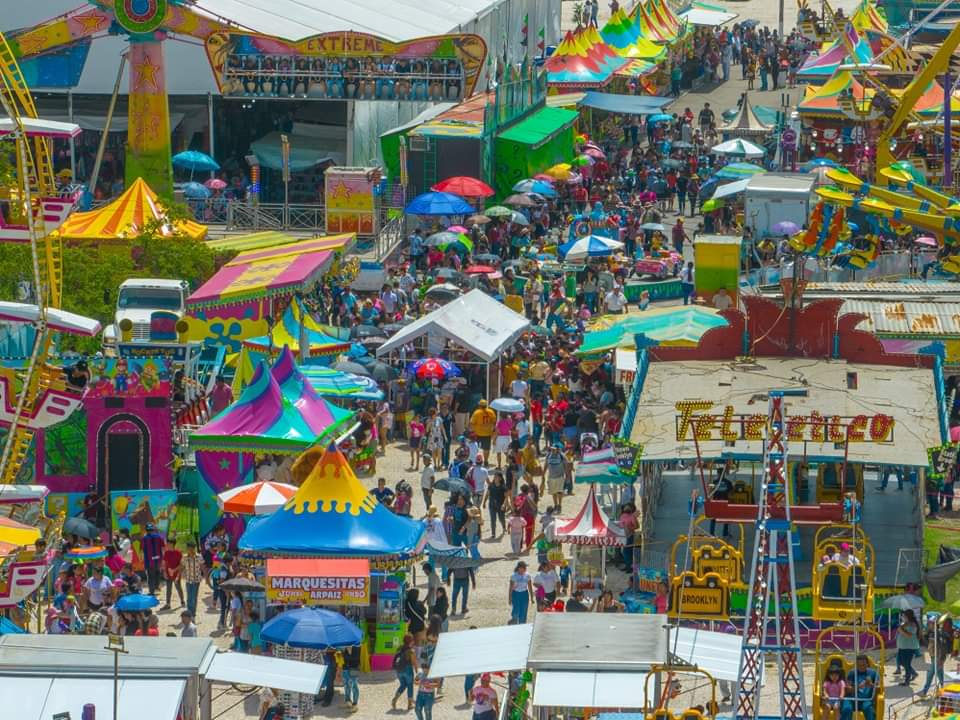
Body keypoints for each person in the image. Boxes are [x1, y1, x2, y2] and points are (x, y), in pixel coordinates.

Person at [920, 615, 955, 696]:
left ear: (934, 624)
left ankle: (925, 691)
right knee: (939, 674)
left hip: (938, 657)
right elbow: (928, 644)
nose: (928, 625)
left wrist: (941, 660)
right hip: (934, 656)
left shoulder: (940, 634)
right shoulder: (932, 633)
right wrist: (924, 635)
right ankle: (944, 689)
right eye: (928, 623)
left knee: (931, 673)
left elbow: (943, 648)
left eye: (929, 623)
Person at [840, 655, 878, 720]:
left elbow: (878, 687)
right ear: (856, 665)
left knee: (868, 709)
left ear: (867, 664)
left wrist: (871, 684)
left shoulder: (873, 673)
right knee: (846, 709)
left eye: (863, 665)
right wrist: (859, 687)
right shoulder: (852, 673)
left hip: (866, 700)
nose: (861, 667)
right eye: (859, 665)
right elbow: (848, 690)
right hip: (851, 699)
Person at [392, 634, 418, 711]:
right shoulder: (411, 651)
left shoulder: (399, 648)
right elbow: (414, 663)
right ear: (411, 641)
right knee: (410, 686)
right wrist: (417, 673)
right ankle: (409, 704)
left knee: (403, 685)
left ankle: (395, 699)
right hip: (407, 670)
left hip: (398, 670)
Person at [895, 608, 920, 684]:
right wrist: (901, 627)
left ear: (908, 616)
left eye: (904, 615)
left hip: (909, 647)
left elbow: (909, 635)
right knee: (901, 662)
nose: (903, 617)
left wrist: (901, 630)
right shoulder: (904, 623)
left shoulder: (913, 624)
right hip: (902, 646)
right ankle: (914, 673)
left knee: (906, 663)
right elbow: (900, 631)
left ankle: (907, 681)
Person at [181, 540, 204, 618]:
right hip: (188, 579)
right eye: (189, 548)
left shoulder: (199, 557)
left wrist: (207, 578)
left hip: (196, 580)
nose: (190, 550)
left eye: (192, 548)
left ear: (194, 549)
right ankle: (189, 613)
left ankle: (192, 613)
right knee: (188, 597)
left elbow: (203, 567)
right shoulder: (184, 557)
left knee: (193, 597)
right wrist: (178, 576)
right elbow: (182, 566)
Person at [544, 444, 570, 512]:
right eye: (552, 449)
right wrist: (543, 474)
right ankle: (555, 505)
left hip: (560, 477)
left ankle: (560, 505)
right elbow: (546, 465)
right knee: (553, 492)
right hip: (551, 477)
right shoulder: (548, 455)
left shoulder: (562, 456)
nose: (552, 450)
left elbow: (566, 466)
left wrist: (567, 476)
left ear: (558, 449)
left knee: (559, 492)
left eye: (554, 449)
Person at [141, 523, 165, 595]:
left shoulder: (144, 538)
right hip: (158, 560)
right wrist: (162, 558)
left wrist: (142, 559)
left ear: (146, 530)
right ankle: (156, 586)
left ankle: (151, 591)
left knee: (150, 576)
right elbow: (163, 548)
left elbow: (142, 550)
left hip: (149, 561)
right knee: (157, 573)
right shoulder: (159, 537)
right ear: (153, 530)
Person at [162, 534, 184, 610]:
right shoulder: (166, 553)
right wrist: (164, 572)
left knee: (178, 587)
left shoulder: (178, 553)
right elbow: (164, 563)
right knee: (168, 588)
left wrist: (174, 570)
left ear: (172, 544)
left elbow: (181, 565)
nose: (167, 545)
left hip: (176, 573)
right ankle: (168, 604)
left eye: (168, 543)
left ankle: (182, 601)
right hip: (168, 573)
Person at [339, 645, 360, 711]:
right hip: (345, 668)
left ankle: (355, 704)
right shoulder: (344, 645)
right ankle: (348, 702)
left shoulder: (356, 645)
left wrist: (349, 651)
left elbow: (356, 658)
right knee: (346, 685)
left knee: (354, 686)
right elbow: (343, 658)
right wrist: (342, 652)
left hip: (354, 668)